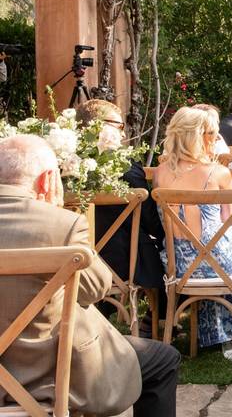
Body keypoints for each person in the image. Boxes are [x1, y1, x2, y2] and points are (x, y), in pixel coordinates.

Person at [0, 135, 180, 416]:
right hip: (54, 375)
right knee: (163, 359)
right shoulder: (62, 224)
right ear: (47, 180)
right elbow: (96, 289)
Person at [156, 107, 232, 363]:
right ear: (198, 137)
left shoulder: (160, 173)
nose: (217, 138)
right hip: (219, 265)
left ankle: (210, 335)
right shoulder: (218, 173)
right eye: (212, 133)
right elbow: (231, 221)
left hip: (178, 265)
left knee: (209, 252)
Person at [75, 99, 166, 335]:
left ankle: (99, 314)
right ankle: (156, 323)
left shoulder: (67, 166)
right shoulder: (125, 169)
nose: (123, 132)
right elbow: (152, 224)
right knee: (169, 252)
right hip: (125, 260)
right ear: (100, 126)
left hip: (80, 259)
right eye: (119, 126)